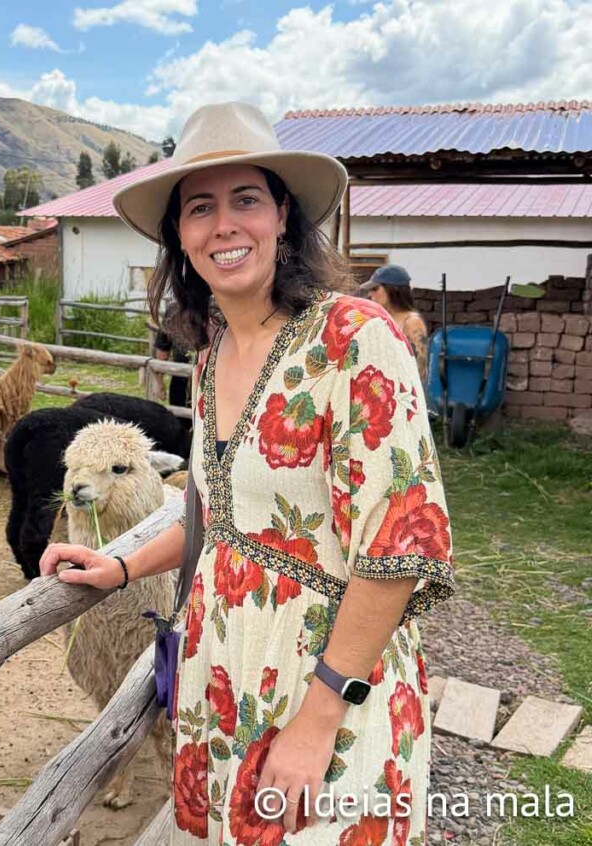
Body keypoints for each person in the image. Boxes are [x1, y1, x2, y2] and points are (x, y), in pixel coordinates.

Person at [39, 102, 454, 845]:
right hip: (224, 665)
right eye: (200, 208)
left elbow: (401, 544)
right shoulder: (209, 359)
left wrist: (320, 715)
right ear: (180, 238)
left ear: (283, 216)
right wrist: (120, 564)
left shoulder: (355, 340)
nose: (224, 225)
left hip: (328, 681)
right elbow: (222, 513)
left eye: (246, 200)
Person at [359, 264, 430, 384]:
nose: (370, 294)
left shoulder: (412, 322)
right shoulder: (380, 319)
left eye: (375, 289)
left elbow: (420, 369)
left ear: (393, 289)